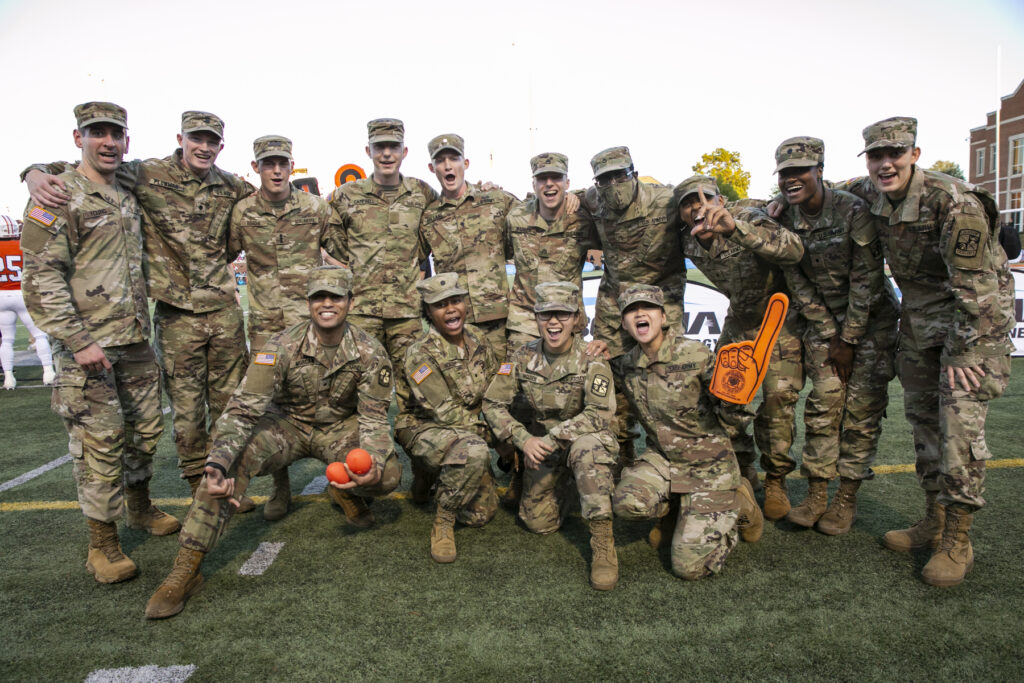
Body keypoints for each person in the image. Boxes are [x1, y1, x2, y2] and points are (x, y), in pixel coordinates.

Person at [24, 111, 255, 503]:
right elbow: (80, 168)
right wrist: (32, 172)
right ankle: (200, 489)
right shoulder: (147, 174)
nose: (203, 146)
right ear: (180, 139)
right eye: (195, 138)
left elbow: (261, 203)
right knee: (186, 412)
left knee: (230, 404)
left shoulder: (231, 185)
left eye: (211, 140)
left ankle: (227, 480)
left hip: (222, 312)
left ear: (221, 146)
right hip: (176, 314)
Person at [145, 266, 401, 619]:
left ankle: (346, 489)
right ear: (308, 303)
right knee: (224, 469)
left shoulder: (371, 351)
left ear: (350, 302)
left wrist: (371, 460)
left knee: (387, 473)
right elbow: (243, 409)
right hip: (287, 427)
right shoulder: (279, 347)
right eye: (318, 298)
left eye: (336, 297)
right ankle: (186, 569)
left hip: (338, 429)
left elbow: (373, 417)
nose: (327, 304)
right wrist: (217, 461)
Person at [840, 118, 1013, 586]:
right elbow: (831, 190)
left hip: (971, 325)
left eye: (895, 153)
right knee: (924, 423)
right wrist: (770, 204)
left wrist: (964, 355)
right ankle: (933, 520)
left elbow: (977, 291)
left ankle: (958, 540)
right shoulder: (871, 189)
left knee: (958, 427)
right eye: (876, 156)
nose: (885, 164)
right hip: (919, 320)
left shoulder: (952, 202)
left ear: (915, 154)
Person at [21, 102, 177, 584]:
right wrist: (76, 339)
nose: (107, 141)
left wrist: (30, 169)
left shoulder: (126, 185)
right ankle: (102, 546)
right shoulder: (57, 194)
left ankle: (139, 507)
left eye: (116, 133)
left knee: (146, 431)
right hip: (89, 348)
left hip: (133, 339)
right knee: (99, 443)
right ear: (78, 137)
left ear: (126, 141)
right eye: (97, 133)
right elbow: (40, 275)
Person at [772, 137, 899, 535]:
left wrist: (850, 338)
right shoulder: (785, 218)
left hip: (871, 324)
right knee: (823, 405)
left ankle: (846, 498)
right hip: (823, 325)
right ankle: (816, 494)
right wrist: (830, 334)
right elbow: (797, 281)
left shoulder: (851, 209)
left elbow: (867, 277)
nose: (792, 180)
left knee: (861, 414)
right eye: (785, 174)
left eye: (801, 172)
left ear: (819, 171)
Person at [673, 175, 806, 521]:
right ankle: (743, 468)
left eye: (705, 199)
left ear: (721, 200)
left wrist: (735, 229)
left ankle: (776, 479)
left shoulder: (748, 215)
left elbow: (793, 249)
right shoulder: (686, 239)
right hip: (739, 321)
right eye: (687, 203)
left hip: (779, 320)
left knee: (777, 401)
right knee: (727, 399)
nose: (697, 207)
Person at [227, 134, 344, 520]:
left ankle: (339, 479)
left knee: (328, 398)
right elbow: (224, 253)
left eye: (281, 163)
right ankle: (281, 488)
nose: (275, 170)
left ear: (291, 166)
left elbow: (341, 254)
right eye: (267, 163)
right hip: (265, 327)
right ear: (256, 167)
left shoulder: (316, 208)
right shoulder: (242, 212)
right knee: (272, 407)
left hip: (312, 327)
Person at [611, 285, 763, 581]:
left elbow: (733, 417)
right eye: (630, 310)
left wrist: (736, 397)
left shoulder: (695, 354)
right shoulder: (627, 364)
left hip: (709, 465)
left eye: (647, 308)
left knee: (689, 568)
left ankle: (740, 500)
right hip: (663, 461)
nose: (639, 314)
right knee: (627, 503)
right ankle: (679, 507)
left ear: (663, 316)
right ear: (624, 323)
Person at [483, 282, 619, 590]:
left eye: (562, 314)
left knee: (586, 449)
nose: (553, 322)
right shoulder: (521, 357)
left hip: (586, 441)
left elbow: (599, 413)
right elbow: (492, 404)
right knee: (537, 523)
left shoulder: (592, 356)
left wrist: (551, 438)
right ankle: (569, 486)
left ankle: (603, 543)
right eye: (546, 315)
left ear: (575, 319)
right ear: (536, 317)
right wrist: (522, 439)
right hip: (544, 448)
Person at [329, 118, 438, 442]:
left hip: (406, 314)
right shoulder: (346, 196)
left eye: (393, 147)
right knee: (356, 391)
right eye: (380, 147)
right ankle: (358, 472)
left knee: (416, 392)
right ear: (368, 151)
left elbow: (438, 224)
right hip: (362, 313)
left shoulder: (421, 193)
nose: (387, 154)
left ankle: (422, 470)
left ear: (404, 151)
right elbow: (333, 237)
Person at [501, 152, 597, 507]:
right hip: (526, 319)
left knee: (570, 396)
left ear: (567, 182)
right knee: (521, 402)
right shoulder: (515, 218)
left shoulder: (582, 220)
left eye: (556, 177)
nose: (549, 184)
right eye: (542, 178)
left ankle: (569, 467)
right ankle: (520, 472)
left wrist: (584, 195)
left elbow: (610, 200)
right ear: (534, 184)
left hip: (568, 320)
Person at [581, 147, 684, 465]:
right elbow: (558, 198)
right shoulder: (592, 200)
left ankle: (669, 453)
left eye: (620, 175)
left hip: (661, 300)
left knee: (665, 379)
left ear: (634, 174)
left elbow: (710, 205)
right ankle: (622, 450)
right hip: (615, 302)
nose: (613, 184)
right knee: (614, 378)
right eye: (605, 179)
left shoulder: (666, 199)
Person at [396, 272, 500, 563]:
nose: (451, 309)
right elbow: (445, 412)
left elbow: (495, 390)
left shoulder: (478, 338)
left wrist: (507, 425)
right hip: (424, 427)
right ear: (428, 312)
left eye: (456, 300)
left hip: (466, 429)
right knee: (474, 450)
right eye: (441, 304)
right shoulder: (420, 354)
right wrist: (497, 437)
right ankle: (443, 521)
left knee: (480, 514)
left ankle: (434, 474)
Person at [418, 134, 518, 359]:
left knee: (504, 386)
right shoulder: (429, 217)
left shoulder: (496, 201)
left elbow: (536, 213)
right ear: (432, 168)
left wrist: (576, 197)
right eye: (440, 161)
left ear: (465, 164)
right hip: (454, 324)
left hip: (499, 322)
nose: (447, 166)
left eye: (453, 159)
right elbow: (411, 262)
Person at [0, 216, 54, 388]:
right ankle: (48, 372)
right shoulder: (23, 246)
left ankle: (9, 377)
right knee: (39, 334)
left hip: (1, 295)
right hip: (23, 293)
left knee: (7, 339)